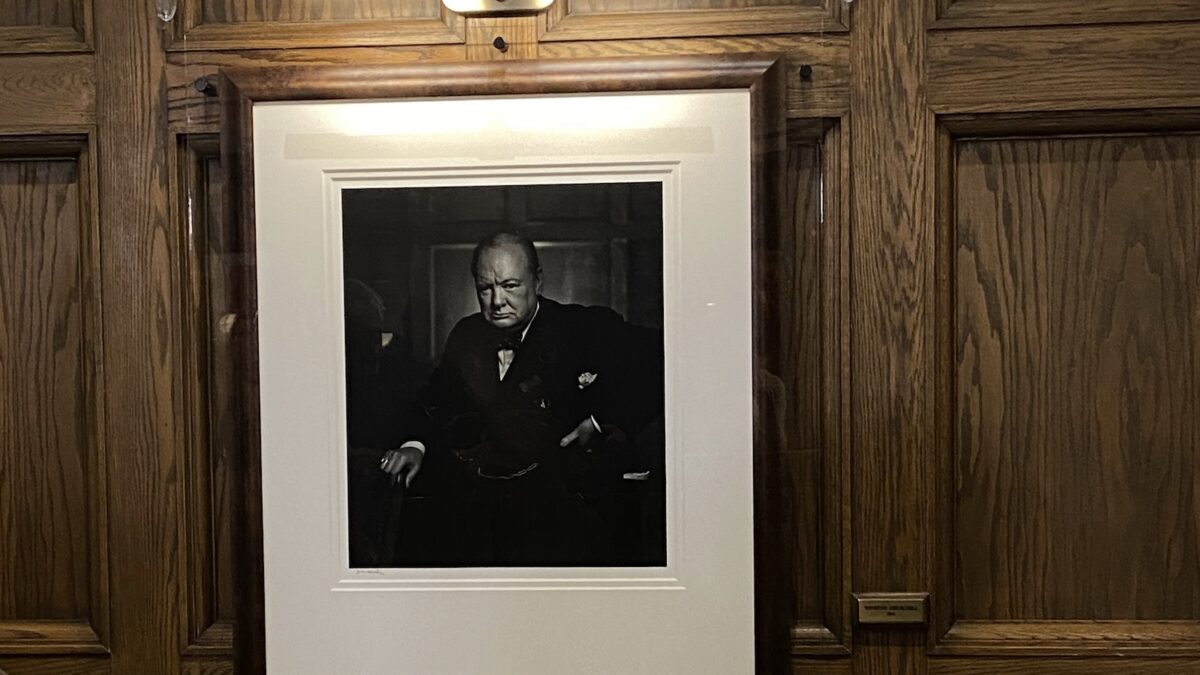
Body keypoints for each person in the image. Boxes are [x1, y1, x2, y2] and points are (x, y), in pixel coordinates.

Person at [379, 231, 664, 565]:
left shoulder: (583, 326)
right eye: (485, 288)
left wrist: (601, 422)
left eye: (510, 285)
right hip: (484, 521)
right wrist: (415, 444)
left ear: (538, 281)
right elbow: (435, 398)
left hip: (569, 519)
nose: (497, 300)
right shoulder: (466, 335)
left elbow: (660, 359)